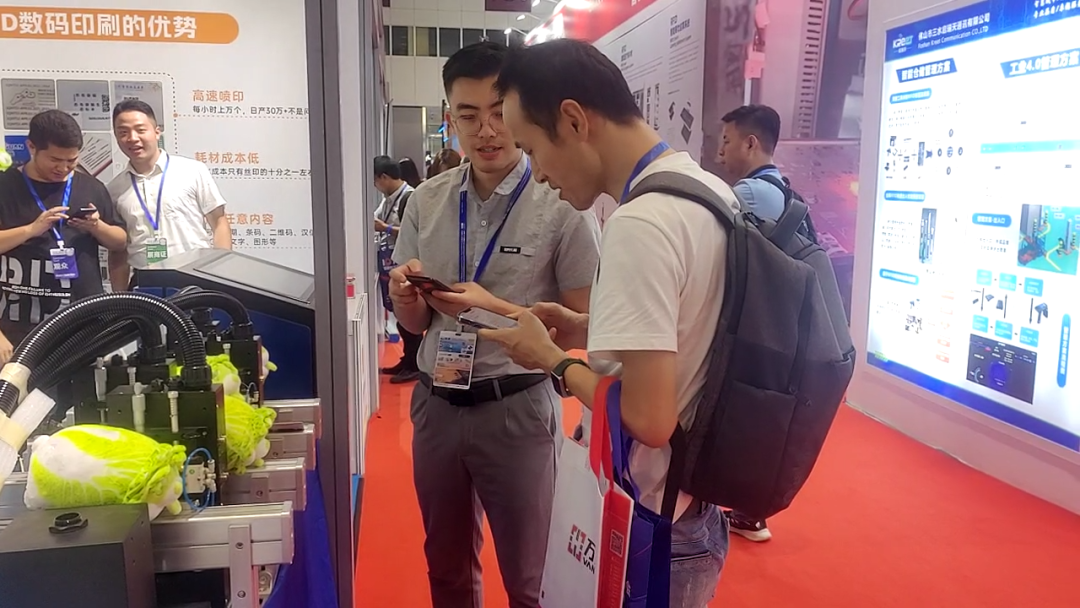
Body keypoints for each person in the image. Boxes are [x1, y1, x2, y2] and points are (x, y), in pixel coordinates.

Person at [482, 38, 734, 607]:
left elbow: (650, 419)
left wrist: (552, 361)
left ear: (573, 120)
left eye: (533, 149)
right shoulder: (703, 190)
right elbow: (688, 330)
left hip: (652, 523)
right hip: (692, 511)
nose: (538, 175)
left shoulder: (640, 223)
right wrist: (585, 328)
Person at [386, 40, 601, 608]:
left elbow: (584, 327)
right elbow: (416, 324)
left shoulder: (562, 204)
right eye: (468, 115)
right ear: (449, 117)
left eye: (499, 112)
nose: (486, 131)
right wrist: (404, 295)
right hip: (437, 405)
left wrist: (497, 309)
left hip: (518, 409)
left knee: (531, 579)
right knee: (446, 570)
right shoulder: (426, 201)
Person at [0, 109, 127, 362]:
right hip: (16, 325)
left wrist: (96, 226)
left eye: (72, 160)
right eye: (55, 160)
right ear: (31, 147)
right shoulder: (6, 186)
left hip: (81, 322)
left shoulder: (91, 187)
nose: (64, 168)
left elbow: (120, 242)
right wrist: (31, 230)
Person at [106, 99, 232, 291]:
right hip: (145, 283)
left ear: (157, 132)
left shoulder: (192, 171)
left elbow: (219, 222)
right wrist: (120, 297)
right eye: (123, 132)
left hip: (195, 278)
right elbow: (119, 251)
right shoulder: (115, 189)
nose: (132, 138)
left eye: (140, 130)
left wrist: (220, 278)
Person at [373, 155, 420, 384]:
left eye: (375, 181)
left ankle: (414, 364)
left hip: (406, 265)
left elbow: (417, 232)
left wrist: (386, 228)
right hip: (391, 263)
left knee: (409, 315)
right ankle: (407, 360)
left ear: (383, 177)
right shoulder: (388, 199)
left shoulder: (410, 198)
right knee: (399, 315)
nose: (375, 186)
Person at [716, 104, 787, 227]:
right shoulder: (779, 185)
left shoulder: (750, 192)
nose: (721, 151)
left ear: (750, 144)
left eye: (726, 141)